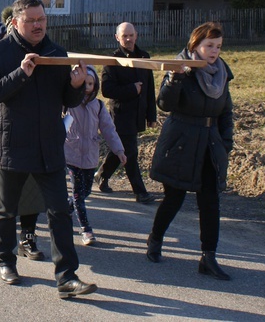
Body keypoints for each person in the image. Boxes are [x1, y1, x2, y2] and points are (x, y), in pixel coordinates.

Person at [0, 0, 97, 298]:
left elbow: (66, 99)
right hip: (12, 145)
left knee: (59, 213)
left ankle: (67, 276)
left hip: (49, 147)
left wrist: (77, 86)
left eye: (42, 19)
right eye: (32, 20)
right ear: (16, 22)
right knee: (5, 210)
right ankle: (6, 261)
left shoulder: (56, 53)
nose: (39, 25)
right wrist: (21, 74)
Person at [146, 22, 234, 281]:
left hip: (210, 144)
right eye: (209, 46)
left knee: (210, 201)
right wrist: (176, 79)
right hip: (181, 141)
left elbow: (226, 110)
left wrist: (225, 143)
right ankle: (156, 238)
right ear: (195, 45)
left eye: (218, 46)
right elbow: (164, 104)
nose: (214, 51)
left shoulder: (221, 72)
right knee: (174, 198)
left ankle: (208, 257)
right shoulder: (180, 66)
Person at [0, 9, 47, 261]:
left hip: (34, 139)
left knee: (32, 193)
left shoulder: (40, 54)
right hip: (5, 140)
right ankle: (5, 257)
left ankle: (28, 236)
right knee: (5, 202)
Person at [96, 22, 157, 203]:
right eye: (124, 36)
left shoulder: (144, 57)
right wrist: (131, 89)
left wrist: (151, 116)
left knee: (120, 150)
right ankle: (140, 192)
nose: (128, 39)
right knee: (130, 152)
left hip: (138, 114)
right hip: (121, 115)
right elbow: (107, 90)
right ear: (117, 38)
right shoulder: (112, 61)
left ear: (136, 35)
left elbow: (149, 88)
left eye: (131, 35)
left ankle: (101, 174)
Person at [64, 66, 126, 246]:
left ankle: (67, 208)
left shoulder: (98, 106)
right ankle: (86, 230)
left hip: (91, 156)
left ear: (95, 85)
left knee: (86, 191)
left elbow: (108, 129)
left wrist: (119, 150)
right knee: (78, 194)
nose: (86, 87)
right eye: (83, 83)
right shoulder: (69, 103)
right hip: (71, 154)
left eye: (90, 84)